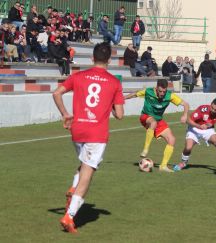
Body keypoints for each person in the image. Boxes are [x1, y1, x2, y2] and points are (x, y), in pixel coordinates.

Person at [53, 42, 125, 233]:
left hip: (77, 131)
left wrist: (65, 114)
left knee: (86, 164)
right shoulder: (114, 82)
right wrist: (110, 103)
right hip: (97, 133)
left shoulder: (78, 76)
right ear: (109, 60)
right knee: (88, 173)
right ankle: (70, 215)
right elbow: (119, 115)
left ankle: (73, 188)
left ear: (92, 58)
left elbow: (57, 93)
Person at [124, 79, 189, 172]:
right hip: (145, 117)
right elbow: (135, 94)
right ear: (156, 88)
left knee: (172, 139)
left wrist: (185, 114)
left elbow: (185, 104)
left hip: (158, 120)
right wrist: (123, 98)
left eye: (164, 91)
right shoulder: (148, 91)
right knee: (153, 123)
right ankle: (145, 149)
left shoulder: (170, 95)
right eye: (160, 91)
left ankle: (163, 166)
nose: (162, 93)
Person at [173, 98, 216, 176]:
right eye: (212, 108)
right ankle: (183, 163)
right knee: (188, 148)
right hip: (194, 128)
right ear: (211, 104)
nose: (213, 110)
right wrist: (199, 126)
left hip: (208, 130)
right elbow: (188, 120)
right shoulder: (202, 109)